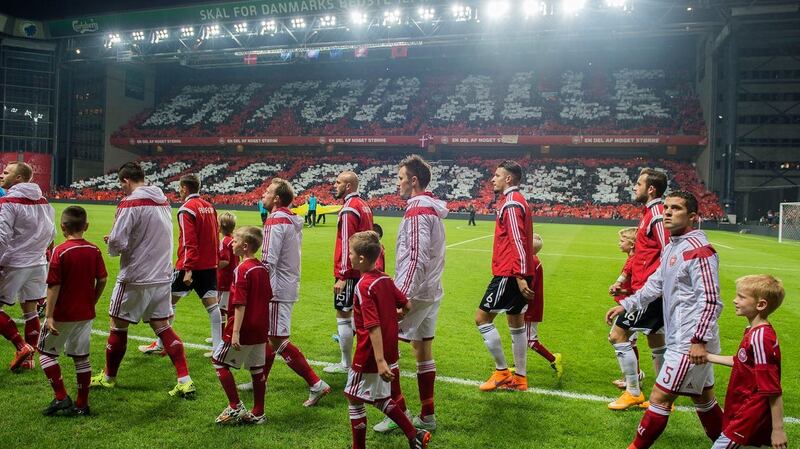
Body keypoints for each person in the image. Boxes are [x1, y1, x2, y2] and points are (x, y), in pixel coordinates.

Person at [606, 191, 724, 449]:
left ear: (692, 217)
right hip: (684, 337)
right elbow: (655, 284)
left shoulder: (699, 251)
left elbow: (711, 300)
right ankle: (727, 444)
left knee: (660, 397)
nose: (667, 212)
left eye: (676, 209)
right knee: (704, 400)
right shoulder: (673, 246)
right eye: (666, 207)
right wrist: (626, 305)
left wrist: (698, 340)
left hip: (689, 341)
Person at [91, 162, 195, 398]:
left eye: (122, 185)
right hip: (161, 274)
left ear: (126, 181)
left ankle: (109, 377)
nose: (122, 190)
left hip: (136, 275)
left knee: (117, 324)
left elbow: (118, 241)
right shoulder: (163, 200)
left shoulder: (130, 202)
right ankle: (185, 379)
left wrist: (113, 244)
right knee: (163, 326)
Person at [237, 178, 331, 406]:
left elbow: (269, 259)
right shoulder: (290, 219)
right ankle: (261, 379)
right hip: (286, 283)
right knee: (269, 338)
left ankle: (316, 384)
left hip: (277, 287)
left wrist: (256, 286)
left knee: (278, 340)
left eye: (267, 192)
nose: (263, 195)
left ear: (277, 198)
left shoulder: (275, 220)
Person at [374, 155, 447, 433]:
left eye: (401, 178)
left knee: (384, 345)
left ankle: (398, 411)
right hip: (431, 290)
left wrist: (400, 297)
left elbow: (415, 256)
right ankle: (427, 414)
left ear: (414, 180)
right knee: (423, 348)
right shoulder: (432, 208)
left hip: (415, 292)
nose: (398, 183)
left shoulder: (418, 210)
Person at [344, 230, 431, 449]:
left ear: (362, 258)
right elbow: (407, 305)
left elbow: (372, 326)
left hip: (370, 352)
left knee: (354, 397)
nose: (349, 257)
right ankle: (415, 435)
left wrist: (380, 360)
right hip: (389, 348)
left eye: (351, 253)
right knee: (381, 399)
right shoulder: (384, 278)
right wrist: (398, 315)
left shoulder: (363, 286)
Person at [607, 168, 669, 410]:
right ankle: (665, 397)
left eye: (638, 183)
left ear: (650, 189)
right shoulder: (650, 213)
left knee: (618, 334)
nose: (635, 186)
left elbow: (668, 252)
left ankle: (633, 391)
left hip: (651, 292)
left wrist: (651, 290)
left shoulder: (656, 215)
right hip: (651, 291)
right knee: (656, 341)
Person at [139, 174, 221, 357]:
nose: (179, 190)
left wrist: (188, 269)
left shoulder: (186, 209)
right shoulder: (209, 207)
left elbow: (188, 242)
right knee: (212, 306)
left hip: (190, 266)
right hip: (209, 265)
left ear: (184, 188)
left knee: (166, 304)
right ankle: (218, 348)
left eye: (179, 187)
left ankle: (162, 344)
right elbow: (215, 236)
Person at [39, 206, 107, 416]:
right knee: (81, 357)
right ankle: (82, 404)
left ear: (62, 227)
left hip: (62, 314)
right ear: (86, 226)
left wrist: (49, 315)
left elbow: (54, 285)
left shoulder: (61, 251)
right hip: (85, 313)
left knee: (46, 354)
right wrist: (92, 300)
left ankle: (61, 398)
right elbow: (103, 279)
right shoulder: (94, 249)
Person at [705, 274, 787, 449]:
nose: (735, 300)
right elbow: (741, 362)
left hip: (749, 412)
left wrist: (778, 429)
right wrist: (708, 357)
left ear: (761, 305)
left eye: (741, 297)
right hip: (741, 407)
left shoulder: (760, 337)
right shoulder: (752, 330)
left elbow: (772, 388)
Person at [475, 160, 536, 392]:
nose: (493, 179)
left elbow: (517, 240)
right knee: (516, 322)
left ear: (508, 179)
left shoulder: (510, 203)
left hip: (509, 273)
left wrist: (519, 275)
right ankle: (520, 378)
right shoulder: (519, 201)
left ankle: (502, 372)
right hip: (519, 272)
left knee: (482, 319)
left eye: (497, 175)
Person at [211, 226, 271, 425]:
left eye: (235, 241)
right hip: (261, 328)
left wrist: (235, 332)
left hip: (243, 327)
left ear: (245, 246)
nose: (232, 244)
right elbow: (267, 298)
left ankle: (235, 406)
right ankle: (259, 412)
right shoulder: (262, 268)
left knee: (219, 361)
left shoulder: (242, 270)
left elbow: (240, 303)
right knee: (257, 369)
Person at [0, 161, 56, 371]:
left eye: (6, 172)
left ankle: (21, 346)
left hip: (14, 263)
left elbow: (2, 236)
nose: (1, 175)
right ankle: (30, 359)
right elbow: (51, 234)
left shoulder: (9, 201)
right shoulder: (44, 201)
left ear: (19, 179)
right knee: (30, 311)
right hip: (37, 263)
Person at [325, 171, 374, 374]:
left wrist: (343, 275)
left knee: (343, 314)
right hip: (363, 270)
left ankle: (346, 364)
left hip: (351, 273)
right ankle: (365, 360)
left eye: (338, 182)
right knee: (359, 317)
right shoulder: (364, 205)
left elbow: (348, 243)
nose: (334, 185)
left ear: (348, 186)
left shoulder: (348, 209)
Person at [609, 227, 644, 390]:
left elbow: (637, 287)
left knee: (620, 338)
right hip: (628, 303)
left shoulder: (635, 260)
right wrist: (620, 289)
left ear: (632, 244)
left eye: (622, 241)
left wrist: (621, 290)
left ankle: (634, 379)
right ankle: (632, 377)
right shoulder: (631, 259)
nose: (619, 243)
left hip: (632, 305)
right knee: (626, 340)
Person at [524, 233, 563, 378]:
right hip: (532, 305)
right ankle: (518, 364)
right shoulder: (534, 260)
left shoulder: (532, 262)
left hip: (530, 307)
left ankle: (553, 359)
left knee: (530, 340)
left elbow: (528, 287)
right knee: (522, 337)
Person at [215, 212, 238, 354]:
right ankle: (221, 336)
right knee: (226, 310)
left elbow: (225, 261)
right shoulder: (233, 240)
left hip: (225, 281)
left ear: (220, 226)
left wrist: (212, 265)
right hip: (232, 280)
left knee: (221, 311)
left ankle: (223, 339)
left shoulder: (224, 242)